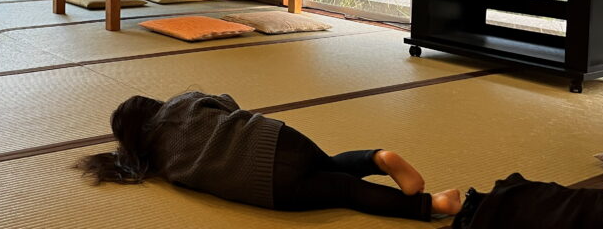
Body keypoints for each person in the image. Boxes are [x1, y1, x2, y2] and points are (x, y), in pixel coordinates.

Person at [77, 92, 462, 221]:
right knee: (328, 164)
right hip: (275, 137)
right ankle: (377, 156)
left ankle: (434, 205)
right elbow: (228, 103)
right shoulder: (183, 102)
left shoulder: (161, 165)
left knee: (345, 191)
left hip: (268, 184)